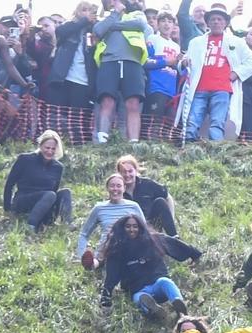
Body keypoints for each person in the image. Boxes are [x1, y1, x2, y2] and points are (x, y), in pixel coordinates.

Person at [178, 2, 252, 142]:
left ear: (225, 23)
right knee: (193, 120)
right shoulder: (196, 42)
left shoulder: (236, 42)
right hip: (199, 88)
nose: (216, 22)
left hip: (222, 88)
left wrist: (236, 73)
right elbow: (186, 61)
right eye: (212, 19)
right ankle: (188, 147)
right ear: (207, 22)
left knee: (217, 122)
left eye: (219, 19)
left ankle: (216, 151)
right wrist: (183, 63)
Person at [98, 214, 191, 322]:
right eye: (128, 226)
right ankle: (154, 311)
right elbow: (111, 275)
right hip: (138, 290)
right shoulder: (117, 250)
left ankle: (180, 306)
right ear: (122, 228)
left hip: (158, 284)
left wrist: (194, 253)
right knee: (140, 298)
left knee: (166, 282)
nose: (132, 229)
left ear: (140, 227)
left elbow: (174, 244)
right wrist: (106, 298)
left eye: (135, 226)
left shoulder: (153, 240)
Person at [91, 0, 154, 143]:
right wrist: (114, 14)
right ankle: (102, 140)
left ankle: (133, 142)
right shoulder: (106, 18)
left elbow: (139, 25)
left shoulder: (136, 14)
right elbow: (98, 30)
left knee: (133, 103)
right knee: (107, 101)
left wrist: (112, 26)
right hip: (108, 62)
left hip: (133, 63)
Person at [3, 129, 73, 233]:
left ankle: (67, 224)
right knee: (50, 195)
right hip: (24, 199)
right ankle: (31, 226)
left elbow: (54, 189)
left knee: (65, 192)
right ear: (40, 146)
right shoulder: (25, 159)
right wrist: (7, 209)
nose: (50, 151)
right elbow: (10, 184)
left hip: (45, 203)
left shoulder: (58, 167)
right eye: (47, 148)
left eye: (53, 149)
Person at [77, 174, 148, 268]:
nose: (115, 189)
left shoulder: (133, 206)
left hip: (129, 245)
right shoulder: (99, 208)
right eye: (112, 186)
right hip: (106, 247)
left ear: (124, 188)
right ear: (107, 188)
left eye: (119, 186)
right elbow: (84, 234)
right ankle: (91, 264)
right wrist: (81, 254)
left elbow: (145, 230)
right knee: (107, 247)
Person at [44, 3, 98, 109]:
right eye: (84, 10)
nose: (87, 13)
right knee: (56, 118)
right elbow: (60, 32)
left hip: (83, 81)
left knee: (76, 120)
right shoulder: (69, 26)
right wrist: (84, 21)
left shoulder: (94, 30)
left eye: (90, 11)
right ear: (77, 12)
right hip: (62, 79)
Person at [116, 154, 178, 237]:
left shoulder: (147, 184)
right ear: (119, 173)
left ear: (136, 170)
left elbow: (168, 197)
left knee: (160, 201)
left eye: (130, 171)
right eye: (124, 172)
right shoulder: (116, 190)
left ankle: (174, 238)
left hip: (151, 225)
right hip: (129, 229)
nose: (127, 175)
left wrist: (171, 220)